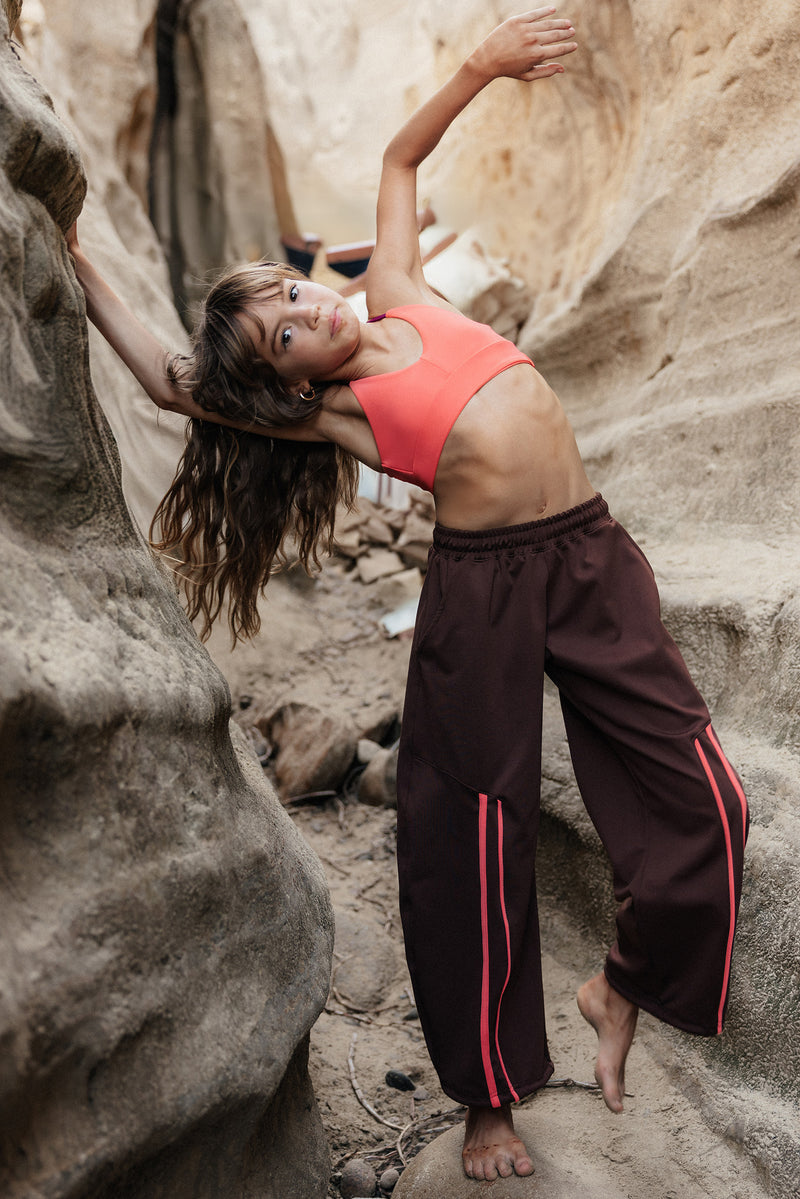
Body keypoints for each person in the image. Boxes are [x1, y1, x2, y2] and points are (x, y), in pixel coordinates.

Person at [67, 7, 749, 1182]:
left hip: (589, 554)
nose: (309, 313)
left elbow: (398, 157)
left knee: (705, 795)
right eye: (286, 335)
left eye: (293, 294)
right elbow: (172, 383)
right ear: (288, 383)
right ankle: (485, 1095)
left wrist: (481, 64)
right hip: (481, 594)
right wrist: (77, 261)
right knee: (469, 829)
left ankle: (620, 981)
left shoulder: (395, 289)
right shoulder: (329, 411)